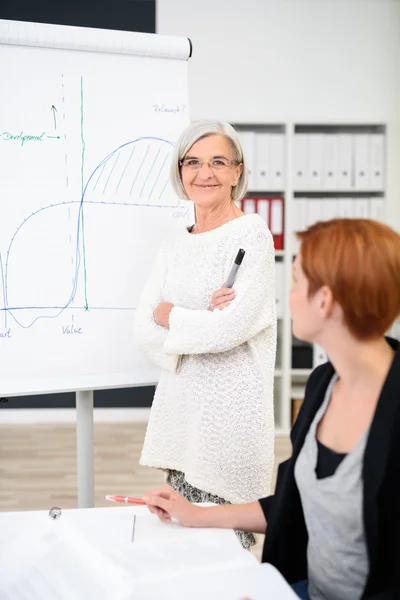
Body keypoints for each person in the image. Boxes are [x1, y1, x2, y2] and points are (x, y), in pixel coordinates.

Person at [143, 218, 400, 600]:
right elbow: (293, 500)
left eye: (296, 282)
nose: (288, 296)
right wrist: (197, 515)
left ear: (325, 300)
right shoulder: (322, 386)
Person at [134, 120, 277, 549]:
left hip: (228, 422)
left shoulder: (252, 235)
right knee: (183, 546)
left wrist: (171, 314)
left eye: (218, 161)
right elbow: (143, 327)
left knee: (224, 549)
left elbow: (231, 328)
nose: (204, 173)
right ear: (180, 172)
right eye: (193, 162)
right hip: (181, 415)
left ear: (238, 171)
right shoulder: (173, 243)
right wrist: (202, 323)